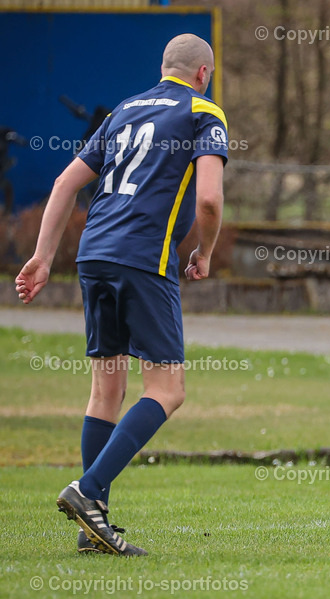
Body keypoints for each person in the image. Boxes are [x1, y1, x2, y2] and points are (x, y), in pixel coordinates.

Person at [15, 34, 228, 556]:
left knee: (106, 390)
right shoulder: (204, 112)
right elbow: (209, 201)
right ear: (203, 73)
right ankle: (87, 493)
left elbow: (66, 183)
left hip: (93, 253)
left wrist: (43, 257)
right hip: (143, 257)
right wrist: (203, 251)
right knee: (168, 389)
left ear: (164, 68)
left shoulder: (127, 110)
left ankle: (94, 526)